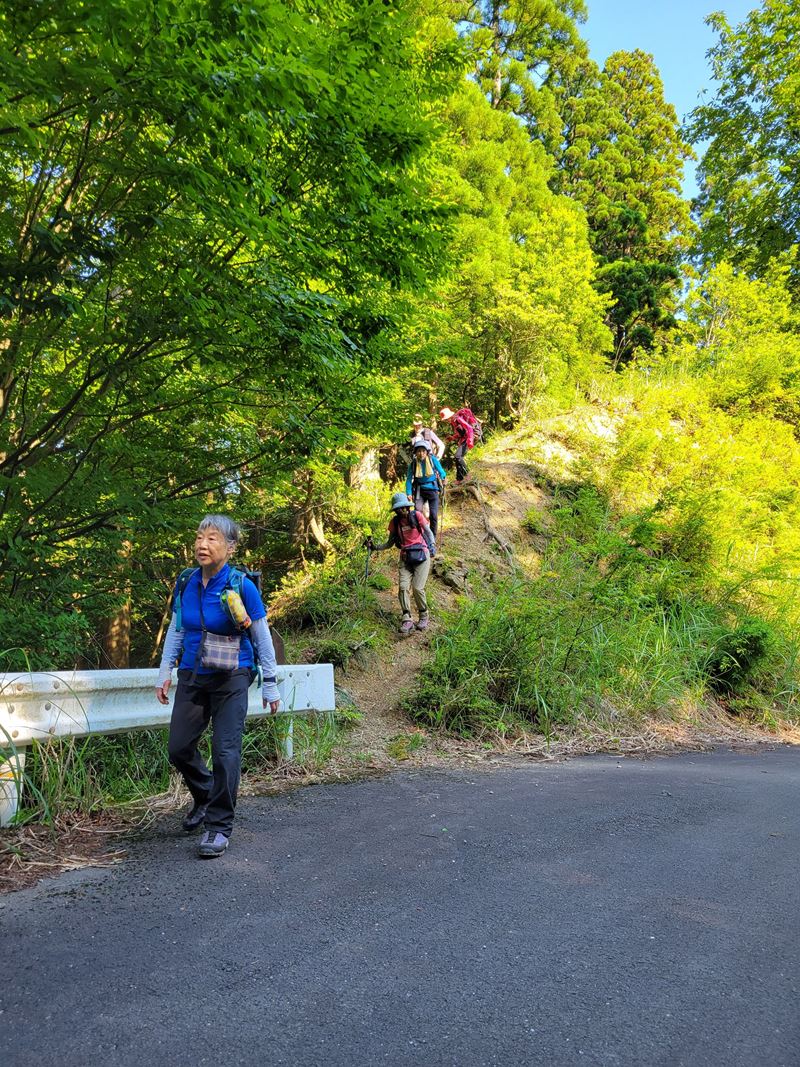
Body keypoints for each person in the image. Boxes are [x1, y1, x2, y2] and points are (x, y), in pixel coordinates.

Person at [156, 515, 281, 859]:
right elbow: (178, 629)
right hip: (193, 673)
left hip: (232, 675)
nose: (202, 544)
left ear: (230, 547)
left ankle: (218, 827)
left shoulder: (242, 585)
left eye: (212, 538)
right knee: (178, 747)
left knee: (226, 752)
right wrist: (165, 671)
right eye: (199, 537)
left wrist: (270, 683)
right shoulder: (186, 582)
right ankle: (207, 795)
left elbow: (261, 637)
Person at [367, 492, 435, 634]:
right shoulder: (395, 522)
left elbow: (428, 532)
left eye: (403, 507)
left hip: (422, 556)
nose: (402, 510)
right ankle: (407, 619)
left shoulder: (417, 516)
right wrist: (374, 547)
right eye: (399, 509)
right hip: (405, 557)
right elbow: (389, 543)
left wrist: (432, 546)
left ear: (407, 507)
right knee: (403, 587)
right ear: (396, 510)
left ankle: (423, 615)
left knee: (417, 588)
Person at [405, 437, 446, 539]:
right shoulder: (413, 464)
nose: (421, 453)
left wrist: (443, 478)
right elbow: (409, 479)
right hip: (420, 490)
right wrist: (409, 493)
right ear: (415, 453)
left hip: (433, 489)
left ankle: (432, 538)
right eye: (419, 451)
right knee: (417, 513)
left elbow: (441, 471)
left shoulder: (432, 460)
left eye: (423, 451)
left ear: (427, 452)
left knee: (433, 515)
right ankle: (420, 535)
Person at [440, 407, 475, 484]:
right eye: (445, 419)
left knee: (458, 456)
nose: (447, 420)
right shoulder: (454, 422)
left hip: (467, 439)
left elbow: (469, 428)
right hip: (463, 440)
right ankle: (459, 478)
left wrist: (470, 441)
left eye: (446, 419)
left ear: (450, 416)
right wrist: (452, 437)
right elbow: (459, 433)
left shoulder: (458, 419)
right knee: (457, 458)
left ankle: (468, 474)